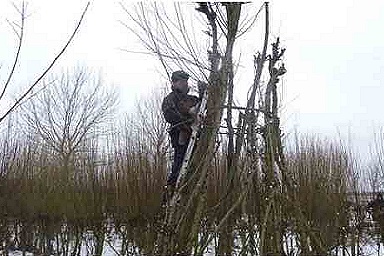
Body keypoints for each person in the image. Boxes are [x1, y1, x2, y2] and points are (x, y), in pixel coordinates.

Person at [161, 70, 199, 193]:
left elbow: (202, 105)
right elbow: (169, 115)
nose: (184, 84)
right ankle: (171, 189)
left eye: (185, 81)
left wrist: (203, 94)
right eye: (181, 81)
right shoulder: (170, 99)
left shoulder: (191, 98)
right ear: (174, 83)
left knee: (194, 164)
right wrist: (187, 116)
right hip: (179, 135)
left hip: (194, 135)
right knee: (179, 163)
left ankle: (188, 188)